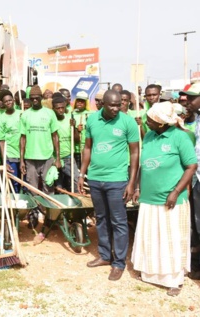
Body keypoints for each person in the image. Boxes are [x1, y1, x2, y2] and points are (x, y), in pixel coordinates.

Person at [131, 101, 197, 296]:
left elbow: (191, 166)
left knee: (171, 239)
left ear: (161, 123)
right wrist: (138, 187)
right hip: (149, 199)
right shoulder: (150, 136)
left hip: (171, 199)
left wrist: (176, 191)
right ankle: (150, 274)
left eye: (150, 120)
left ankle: (173, 280)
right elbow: (145, 165)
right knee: (151, 237)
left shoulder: (179, 137)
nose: (146, 122)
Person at [78, 90, 139, 281]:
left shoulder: (127, 122)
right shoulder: (92, 120)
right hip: (95, 178)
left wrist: (132, 183)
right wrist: (82, 174)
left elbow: (135, 153)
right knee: (101, 219)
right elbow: (87, 147)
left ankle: (119, 263)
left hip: (117, 180)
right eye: (112, 105)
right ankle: (105, 256)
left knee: (119, 222)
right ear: (102, 104)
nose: (116, 108)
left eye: (119, 104)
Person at [20, 84, 61, 193]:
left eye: (36, 98)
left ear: (41, 98)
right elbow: (23, 138)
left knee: (48, 186)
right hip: (30, 157)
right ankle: (35, 210)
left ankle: (48, 209)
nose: (34, 100)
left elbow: (55, 136)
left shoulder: (50, 113)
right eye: (32, 98)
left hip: (47, 156)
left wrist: (57, 158)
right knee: (32, 189)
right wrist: (21, 161)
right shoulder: (25, 115)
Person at [180, 83, 200, 280]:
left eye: (192, 98)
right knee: (196, 222)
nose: (188, 102)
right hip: (197, 179)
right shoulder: (197, 121)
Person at [0, 90, 21, 192]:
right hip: (11, 154)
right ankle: (14, 203)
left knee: (24, 181)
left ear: (14, 101)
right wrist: (5, 160)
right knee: (13, 181)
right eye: (6, 102)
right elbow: (1, 141)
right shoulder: (1, 118)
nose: (8, 103)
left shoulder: (21, 114)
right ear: (3, 103)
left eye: (10, 100)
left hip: (24, 154)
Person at [52, 96, 80, 192]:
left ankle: (78, 201)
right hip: (54, 157)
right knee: (57, 184)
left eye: (62, 108)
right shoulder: (51, 120)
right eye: (57, 108)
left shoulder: (69, 119)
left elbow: (77, 140)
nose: (60, 110)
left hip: (68, 157)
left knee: (76, 179)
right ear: (53, 109)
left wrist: (74, 128)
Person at [72, 91, 93, 169]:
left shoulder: (90, 114)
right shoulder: (72, 113)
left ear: (86, 103)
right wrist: (77, 129)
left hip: (87, 149)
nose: (80, 103)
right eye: (78, 100)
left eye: (82, 101)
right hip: (75, 150)